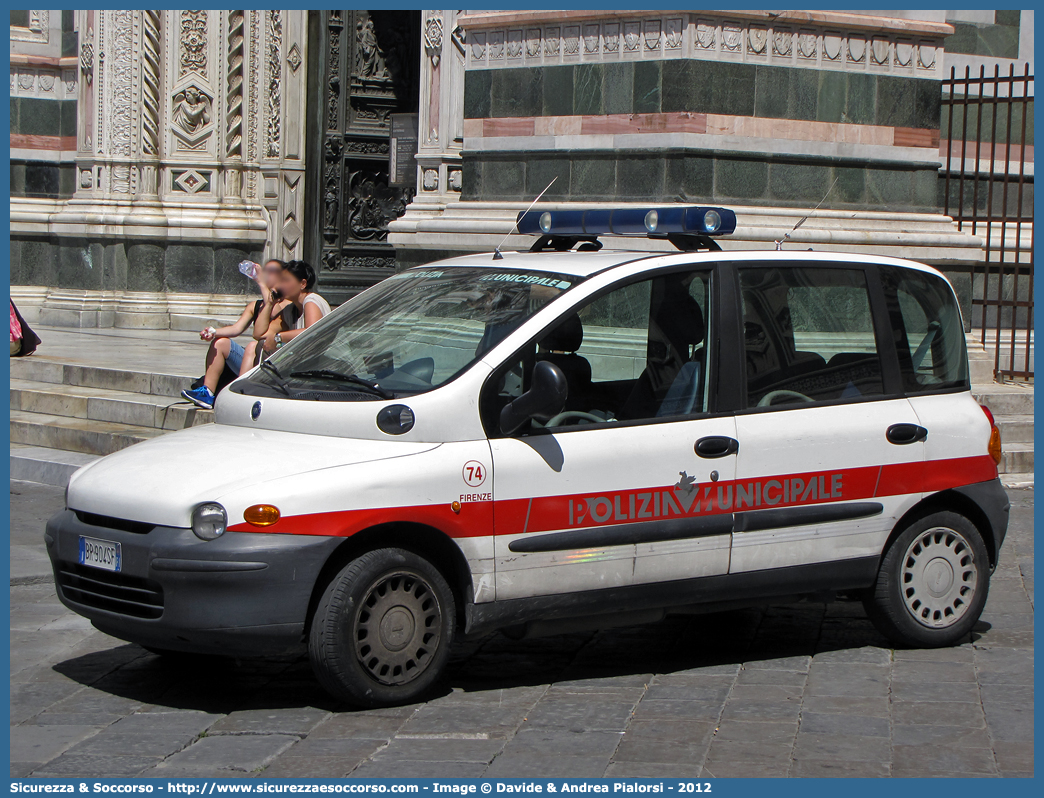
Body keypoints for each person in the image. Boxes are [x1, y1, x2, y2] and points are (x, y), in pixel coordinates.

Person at [181, 259, 287, 409]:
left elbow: (269, 312)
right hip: (251, 362)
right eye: (266, 270)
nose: (266, 274)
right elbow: (236, 328)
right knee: (221, 342)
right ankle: (207, 393)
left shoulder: (285, 304)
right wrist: (214, 332)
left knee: (252, 345)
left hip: (270, 361)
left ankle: (238, 396)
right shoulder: (255, 305)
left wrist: (262, 284)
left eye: (272, 271)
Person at [255, 260, 332, 356]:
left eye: (286, 281)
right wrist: (270, 303)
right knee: (261, 345)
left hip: (329, 360)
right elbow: (259, 334)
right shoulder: (290, 310)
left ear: (303, 284)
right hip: (306, 359)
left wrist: (279, 337)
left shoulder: (311, 300)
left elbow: (312, 331)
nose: (281, 286)